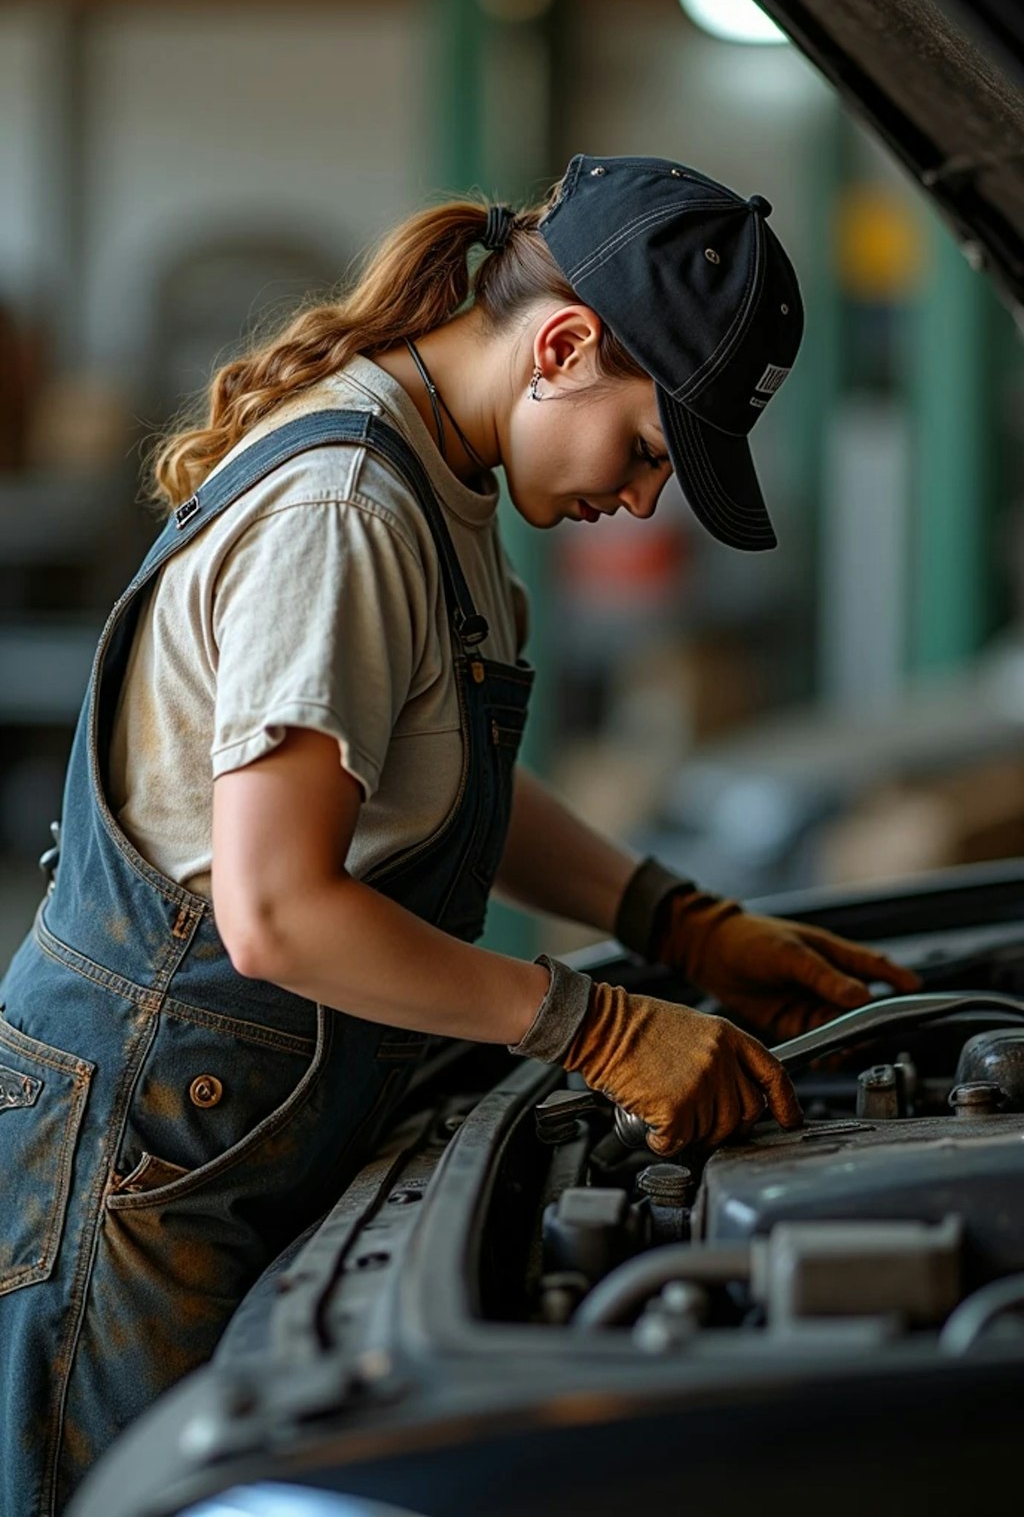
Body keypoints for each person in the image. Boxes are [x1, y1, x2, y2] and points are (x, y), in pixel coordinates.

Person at [0, 153, 919, 1515]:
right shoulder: (348, 514)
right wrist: (595, 1029)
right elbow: (279, 911)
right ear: (561, 345)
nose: (646, 497)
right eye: (652, 447)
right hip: (142, 1161)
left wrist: (676, 917)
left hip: (231, 1132)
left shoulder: (438, 490)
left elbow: (435, 786)